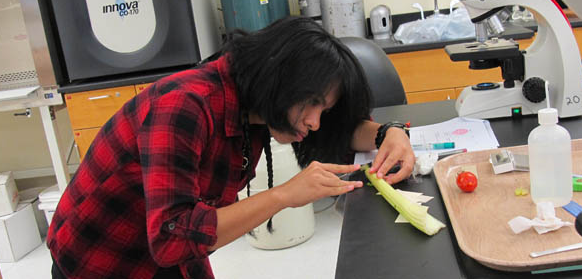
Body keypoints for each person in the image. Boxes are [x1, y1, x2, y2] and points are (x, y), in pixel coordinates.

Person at [47, 16, 415, 279]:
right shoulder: (184, 107)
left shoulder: (254, 102)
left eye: (326, 109)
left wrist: (390, 133)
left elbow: (336, 132)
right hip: (100, 258)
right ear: (280, 81)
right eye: (312, 103)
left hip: (172, 250)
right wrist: (284, 195)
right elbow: (171, 237)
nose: (315, 121)